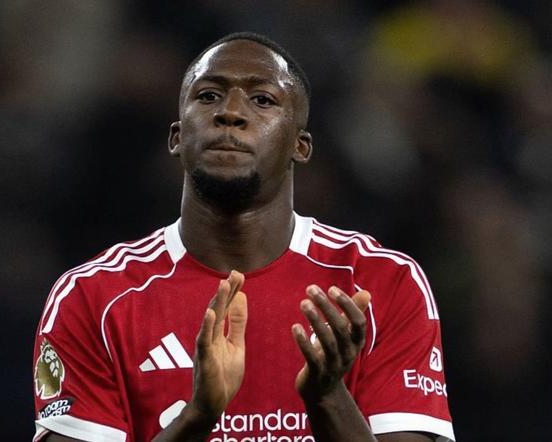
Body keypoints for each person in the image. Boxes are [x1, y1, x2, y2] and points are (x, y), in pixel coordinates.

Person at [32, 32, 455, 442]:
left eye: (263, 100)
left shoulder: (379, 282)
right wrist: (197, 418)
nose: (230, 113)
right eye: (208, 96)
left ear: (300, 146)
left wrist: (328, 397)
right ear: (177, 138)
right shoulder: (94, 297)